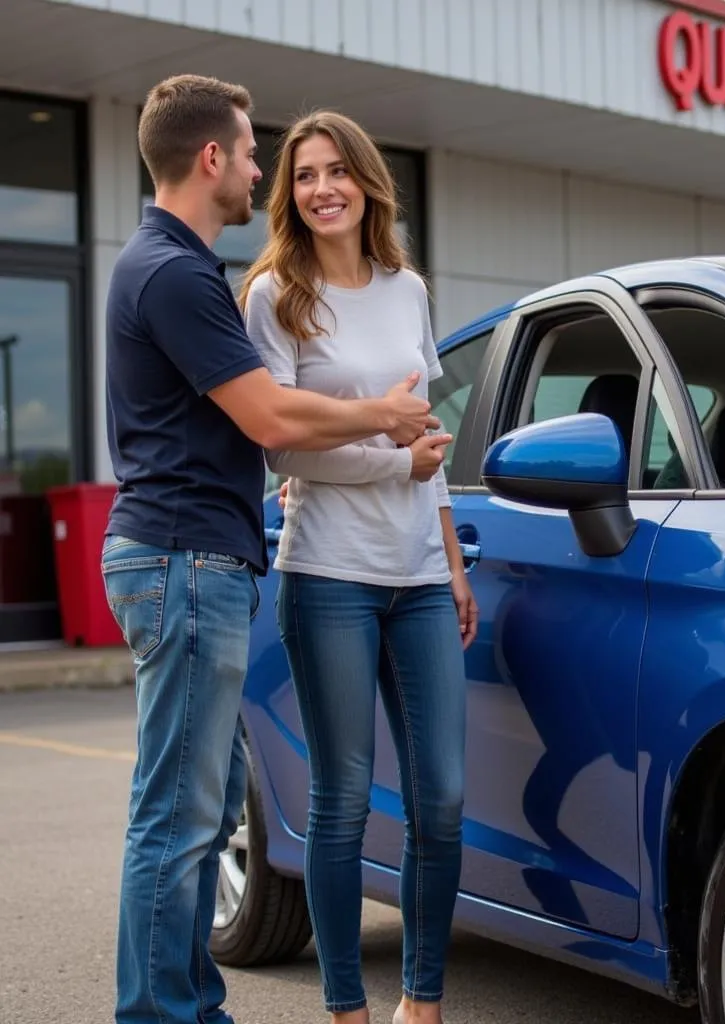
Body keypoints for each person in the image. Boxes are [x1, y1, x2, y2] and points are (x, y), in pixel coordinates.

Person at [102, 75, 438, 1024]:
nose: (261, 170)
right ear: (211, 159)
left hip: (182, 559)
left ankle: (186, 1005)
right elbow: (270, 414)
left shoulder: (165, 266)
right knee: (178, 820)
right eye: (253, 154)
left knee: (193, 815)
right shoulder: (174, 274)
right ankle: (165, 1013)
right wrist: (385, 415)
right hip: (184, 560)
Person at [239, 110, 478, 1024]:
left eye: (337, 170)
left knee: (442, 801)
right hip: (328, 574)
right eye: (303, 175)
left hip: (418, 576)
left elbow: (432, 439)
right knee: (342, 800)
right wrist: (391, 455)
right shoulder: (276, 297)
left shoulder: (408, 288)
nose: (322, 188)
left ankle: (422, 1002)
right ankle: (347, 1008)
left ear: (367, 181)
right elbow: (283, 448)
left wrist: (452, 560)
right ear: (287, 194)